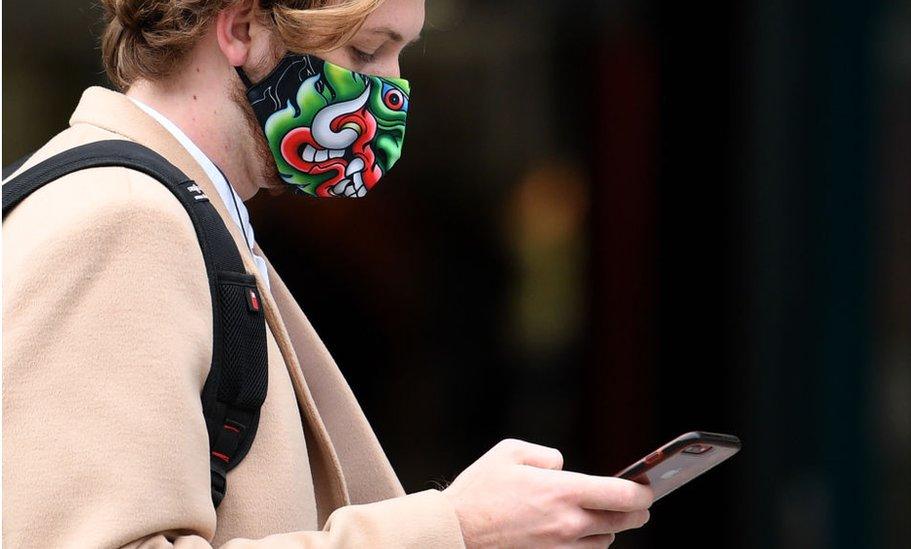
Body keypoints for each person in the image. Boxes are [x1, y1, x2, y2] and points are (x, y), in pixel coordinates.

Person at [1, 0, 653, 547]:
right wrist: (456, 526)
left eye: (401, 54)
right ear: (243, 28)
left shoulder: (185, 210)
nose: (392, 90)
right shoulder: (124, 217)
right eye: (368, 52)